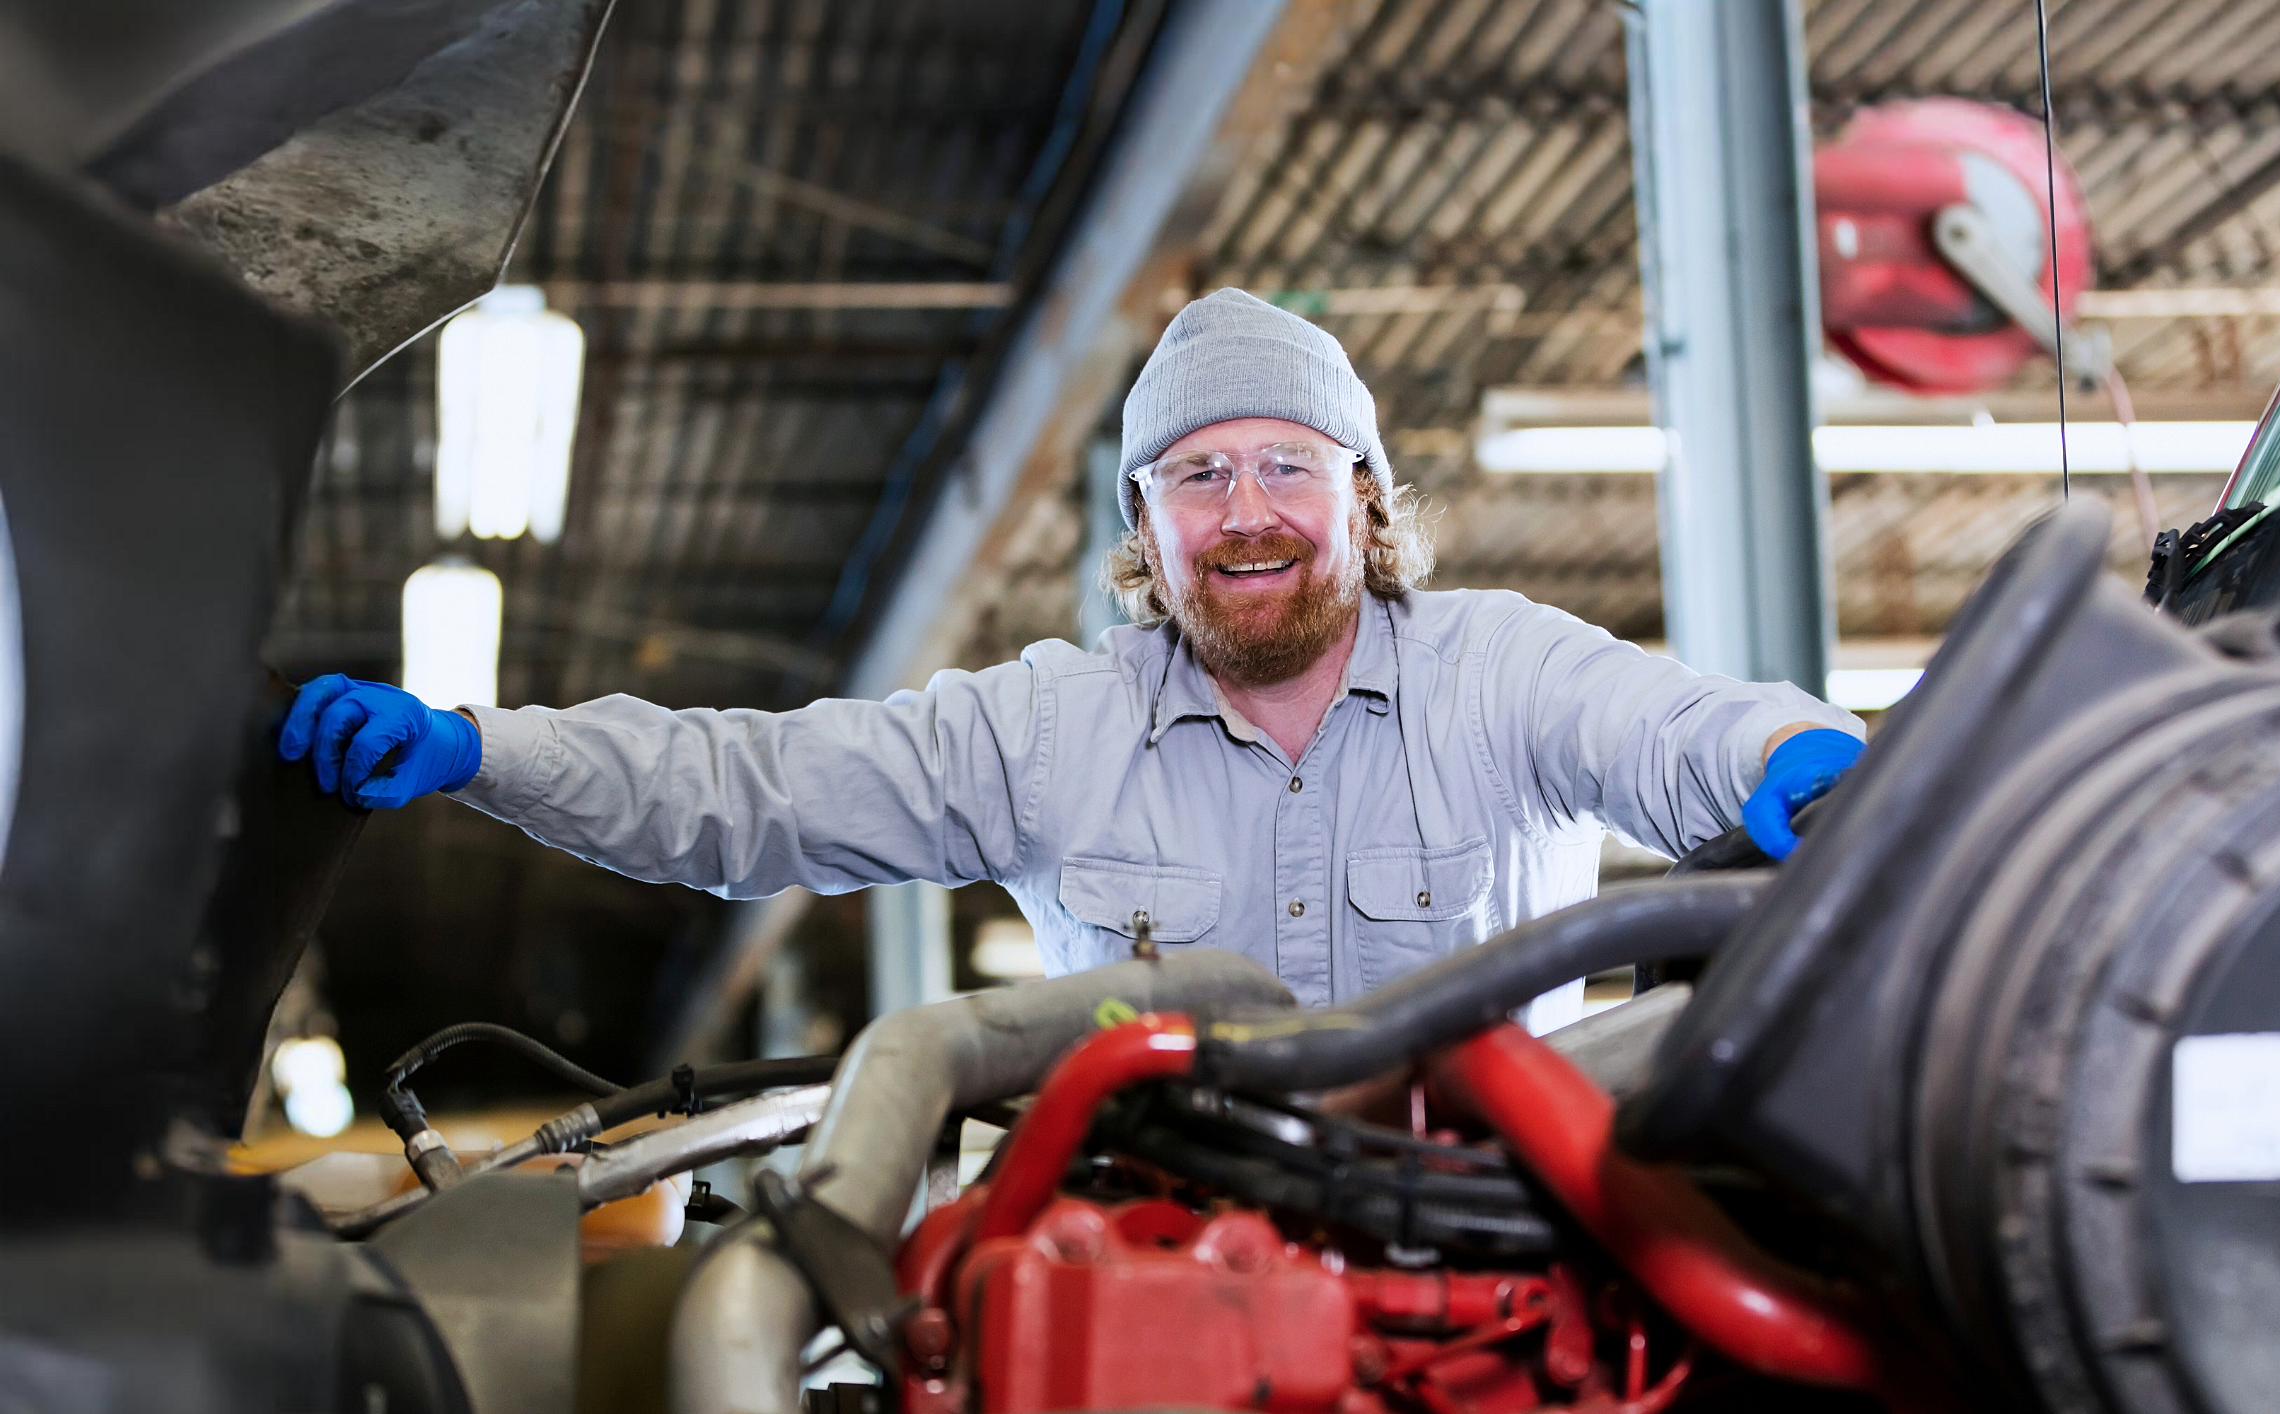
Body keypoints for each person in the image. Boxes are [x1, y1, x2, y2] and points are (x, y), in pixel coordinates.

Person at [282, 289, 1865, 1031]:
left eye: (1285, 467)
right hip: (1154, 1282)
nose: (1244, 514)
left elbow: (1678, 730)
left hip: (1498, 1276)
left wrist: (1793, 759)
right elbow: (753, 790)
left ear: (1364, 497)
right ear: (1142, 526)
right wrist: (482, 747)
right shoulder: (1048, 726)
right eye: (1196, 476)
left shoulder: (1502, 669)